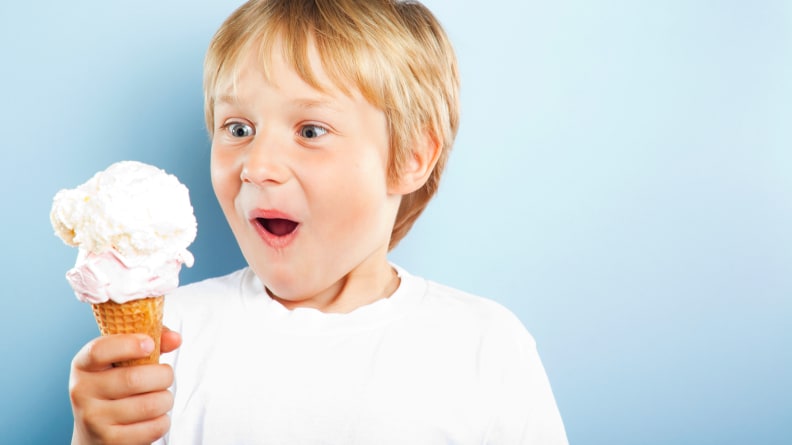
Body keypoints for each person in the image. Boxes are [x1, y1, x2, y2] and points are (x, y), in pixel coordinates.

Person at [68, 0, 569, 443]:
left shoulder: (484, 346)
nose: (257, 165)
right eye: (238, 128)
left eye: (311, 130)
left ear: (412, 157)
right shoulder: (168, 336)